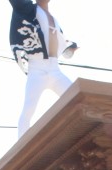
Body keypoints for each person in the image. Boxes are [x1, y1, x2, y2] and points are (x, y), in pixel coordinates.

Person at [9, 0, 77, 137]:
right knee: (28, 109)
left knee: (76, 98)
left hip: (55, 69)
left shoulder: (53, 18)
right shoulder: (28, 10)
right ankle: (21, 147)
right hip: (37, 68)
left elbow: (58, 40)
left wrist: (71, 47)